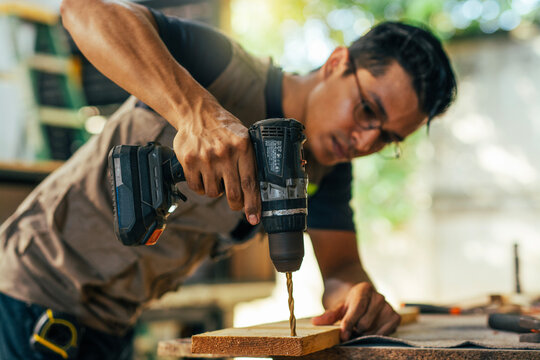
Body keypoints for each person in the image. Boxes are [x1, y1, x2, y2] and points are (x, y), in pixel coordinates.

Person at [0, 0, 456, 358]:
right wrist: (194, 111)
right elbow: (84, 9)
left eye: (388, 137)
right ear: (338, 63)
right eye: (368, 110)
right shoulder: (221, 66)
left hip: (111, 325)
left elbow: (340, 270)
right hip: (21, 296)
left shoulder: (326, 170)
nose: (365, 139)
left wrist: (358, 295)